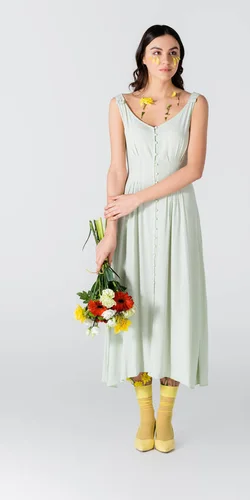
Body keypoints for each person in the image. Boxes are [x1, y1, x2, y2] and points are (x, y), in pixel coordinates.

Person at [95, 24, 209, 453]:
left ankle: (167, 415)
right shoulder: (119, 105)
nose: (166, 60)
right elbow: (116, 170)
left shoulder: (195, 104)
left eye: (174, 53)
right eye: (157, 52)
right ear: (143, 57)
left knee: (177, 310)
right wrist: (110, 231)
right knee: (135, 313)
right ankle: (145, 413)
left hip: (177, 216)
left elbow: (193, 169)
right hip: (132, 222)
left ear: (180, 60)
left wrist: (136, 199)